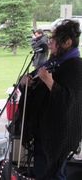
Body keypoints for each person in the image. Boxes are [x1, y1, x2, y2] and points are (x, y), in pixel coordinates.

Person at [16, 19, 82, 179]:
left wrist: (49, 82)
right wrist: (26, 83)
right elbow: (34, 84)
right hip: (42, 131)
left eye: (53, 41)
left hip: (60, 135)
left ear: (67, 42)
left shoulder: (76, 66)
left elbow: (70, 101)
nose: (50, 45)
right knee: (41, 172)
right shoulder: (53, 62)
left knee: (54, 174)